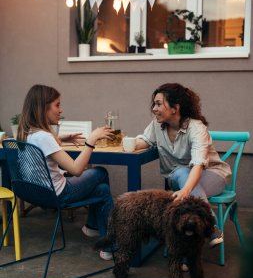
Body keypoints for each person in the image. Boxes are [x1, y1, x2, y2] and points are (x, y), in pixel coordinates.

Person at [17, 84, 115, 261]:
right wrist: (91, 140)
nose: (60, 110)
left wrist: (61, 138)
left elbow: (43, 143)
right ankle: (102, 235)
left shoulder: (26, 133)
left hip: (34, 194)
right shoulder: (45, 137)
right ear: (43, 108)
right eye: (57, 105)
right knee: (100, 172)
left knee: (102, 190)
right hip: (58, 194)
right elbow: (76, 170)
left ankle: (102, 238)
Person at [135, 82, 232, 250]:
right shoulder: (157, 125)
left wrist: (186, 190)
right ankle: (210, 226)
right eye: (154, 104)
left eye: (159, 104)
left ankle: (186, 249)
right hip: (178, 179)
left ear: (175, 108)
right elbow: (145, 140)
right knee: (180, 173)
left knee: (184, 195)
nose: (154, 109)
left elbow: (199, 164)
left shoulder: (196, 127)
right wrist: (125, 142)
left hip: (213, 175)